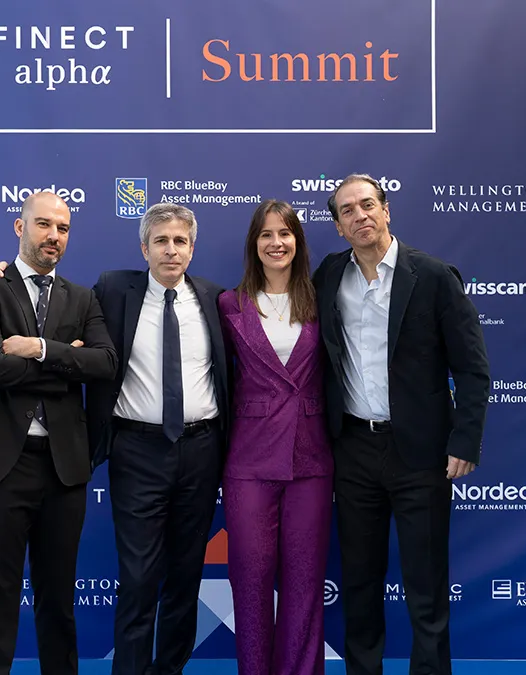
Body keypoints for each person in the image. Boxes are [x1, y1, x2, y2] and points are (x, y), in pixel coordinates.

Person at [0, 201, 231, 675]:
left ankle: (169, 669)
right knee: (137, 577)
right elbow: (58, 327)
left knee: (186, 574)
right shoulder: (112, 290)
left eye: (180, 241)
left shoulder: (217, 299)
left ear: (193, 249)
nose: (171, 250)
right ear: (144, 248)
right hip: (137, 449)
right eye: (160, 241)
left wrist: (45, 352)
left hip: (201, 449)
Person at [312, 174, 489, 675]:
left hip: (421, 453)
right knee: (360, 583)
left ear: (386, 210)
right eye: (348, 211)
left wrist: (465, 439)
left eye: (368, 204)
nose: (360, 215)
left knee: (426, 584)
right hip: (353, 450)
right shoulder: (328, 276)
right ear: (339, 227)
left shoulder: (432, 276)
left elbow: (472, 367)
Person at [0, 191, 118, 675]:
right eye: (44, 225)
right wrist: (66, 361)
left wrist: (39, 348)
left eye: (63, 228)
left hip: (64, 467)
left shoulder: (83, 298)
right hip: (0, 462)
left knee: (58, 597)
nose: (53, 236)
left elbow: (104, 363)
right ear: (20, 227)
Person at [217, 199, 333, 675]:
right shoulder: (229, 304)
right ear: (254, 244)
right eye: (266, 234)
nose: (276, 242)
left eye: (285, 233)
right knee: (250, 583)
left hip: (311, 459)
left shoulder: (322, 300)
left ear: (298, 242)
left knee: (305, 584)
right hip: (249, 460)